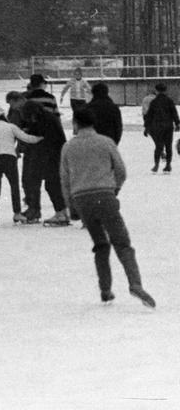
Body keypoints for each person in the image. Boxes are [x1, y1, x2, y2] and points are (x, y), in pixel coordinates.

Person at [61, 105, 155, 307]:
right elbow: (121, 170)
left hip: (82, 199)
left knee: (100, 245)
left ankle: (105, 290)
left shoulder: (68, 147)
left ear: (75, 124)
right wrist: (115, 189)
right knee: (122, 243)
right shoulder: (106, 142)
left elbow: (65, 179)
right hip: (105, 196)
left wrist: (71, 206)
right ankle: (135, 284)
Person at [0, 97, 38, 225]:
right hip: (9, 158)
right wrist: (39, 138)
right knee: (14, 186)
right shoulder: (11, 127)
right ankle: (17, 213)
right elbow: (25, 138)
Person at [19, 81, 69, 225]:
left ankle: (61, 213)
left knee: (51, 184)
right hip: (53, 153)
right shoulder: (45, 118)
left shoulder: (45, 121)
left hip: (52, 155)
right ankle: (58, 212)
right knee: (46, 183)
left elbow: (44, 139)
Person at [142, 82, 177, 173]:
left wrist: (146, 127)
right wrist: (177, 123)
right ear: (165, 91)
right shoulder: (170, 101)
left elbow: (149, 116)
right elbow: (174, 113)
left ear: (156, 91)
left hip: (157, 127)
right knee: (168, 146)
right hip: (168, 127)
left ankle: (156, 165)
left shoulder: (154, 102)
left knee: (158, 146)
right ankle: (168, 165)